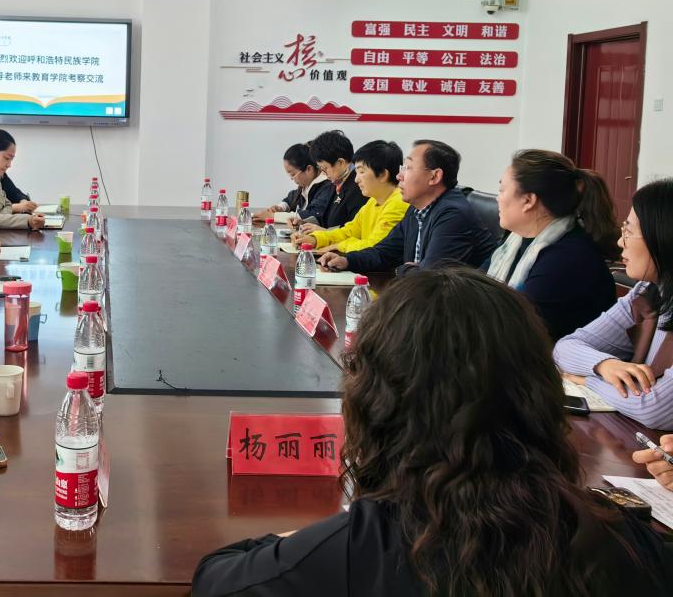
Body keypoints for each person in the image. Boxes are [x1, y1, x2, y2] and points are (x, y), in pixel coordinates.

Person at [192, 268, 673, 596]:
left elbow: (217, 578)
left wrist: (313, 535)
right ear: (541, 393)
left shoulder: (360, 547)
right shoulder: (621, 539)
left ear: (374, 401)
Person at [554, 179, 673, 429]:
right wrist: (604, 365)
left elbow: (654, 408)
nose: (620, 242)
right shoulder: (646, 293)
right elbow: (565, 347)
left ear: (663, 236)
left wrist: (587, 380)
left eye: (628, 231)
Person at [486, 150, 618, 339]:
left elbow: (519, 333)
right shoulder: (515, 243)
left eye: (502, 190)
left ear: (528, 200)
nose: (498, 198)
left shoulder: (567, 258)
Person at [321, 140, 497, 276]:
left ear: (434, 177)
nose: (399, 175)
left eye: (408, 168)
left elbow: (428, 279)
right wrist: (347, 261)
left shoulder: (452, 214)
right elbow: (384, 253)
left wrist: (401, 269)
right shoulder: (416, 209)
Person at [293, 140, 408, 256]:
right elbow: (349, 231)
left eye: (361, 172)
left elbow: (375, 247)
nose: (356, 180)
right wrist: (315, 239)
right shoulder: (373, 201)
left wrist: (339, 246)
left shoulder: (398, 203)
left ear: (383, 174)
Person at [253, 144, 332, 224]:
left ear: (309, 169)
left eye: (293, 174)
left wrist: (273, 216)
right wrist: (281, 207)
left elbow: (311, 215)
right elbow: (291, 199)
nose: (291, 178)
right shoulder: (306, 186)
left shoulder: (327, 187)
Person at [305, 130, 364, 229]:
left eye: (325, 168)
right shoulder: (336, 182)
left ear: (340, 162)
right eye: (321, 169)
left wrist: (325, 232)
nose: (323, 173)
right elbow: (327, 218)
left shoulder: (359, 187)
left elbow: (356, 229)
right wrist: (304, 222)